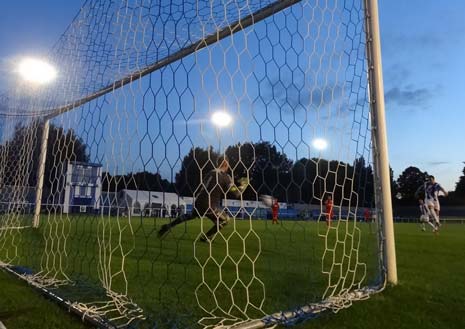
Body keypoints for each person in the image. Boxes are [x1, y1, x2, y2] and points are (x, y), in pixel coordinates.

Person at [157, 156, 247, 241]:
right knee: (226, 220)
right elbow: (236, 193)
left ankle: (168, 226)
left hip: (199, 201)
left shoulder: (210, 173)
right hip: (209, 204)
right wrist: (243, 185)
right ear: (226, 164)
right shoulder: (225, 176)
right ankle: (205, 237)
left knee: (191, 215)